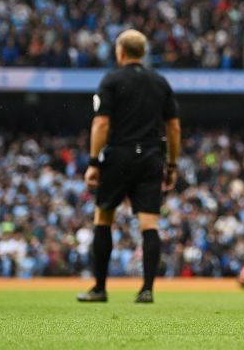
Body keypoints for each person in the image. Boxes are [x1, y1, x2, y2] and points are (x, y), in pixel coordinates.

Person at [77, 29, 181, 304]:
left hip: (118, 155)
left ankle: (99, 288)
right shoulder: (159, 82)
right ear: (144, 52)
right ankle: (146, 290)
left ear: (120, 52)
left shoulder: (111, 79)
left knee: (104, 219)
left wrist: (93, 162)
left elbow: (101, 123)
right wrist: (171, 164)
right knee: (149, 225)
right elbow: (173, 126)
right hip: (150, 157)